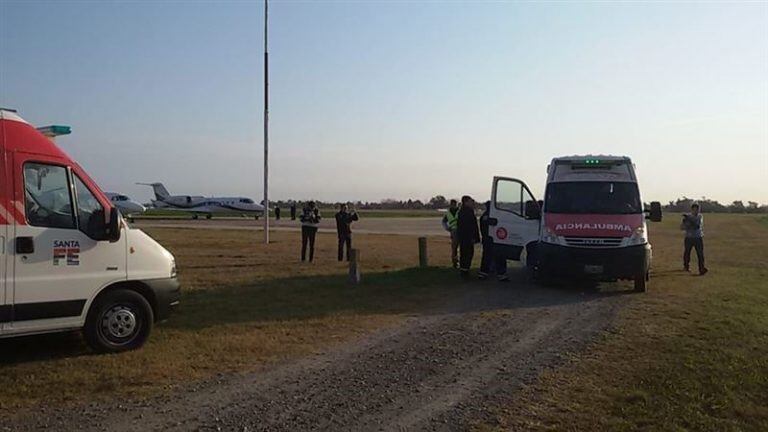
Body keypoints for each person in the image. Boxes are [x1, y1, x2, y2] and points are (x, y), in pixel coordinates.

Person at [478, 201, 509, 281]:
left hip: (486, 238)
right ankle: (501, 274)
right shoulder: (496, 216)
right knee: (500, 256)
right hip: (495, 239)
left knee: (486, 256)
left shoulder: (484, 216)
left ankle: (483, 272)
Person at [681, 203, 708, 275]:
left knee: (700, 254)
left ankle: (701, 268)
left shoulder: (700, 216)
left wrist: (688, 219)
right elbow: (682, 228)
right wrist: (685, 222)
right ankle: (686, 266)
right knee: (687, 253)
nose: (697, 211)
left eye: (698, 210)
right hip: (689, 238)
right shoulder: (687, 217)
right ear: (692, 209)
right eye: (695, 210)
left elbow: (697, 226)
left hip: (698, 237)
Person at [457, 195, 480, 278]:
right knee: (467, 253)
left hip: (464, 237)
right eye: (470, 201)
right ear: (466, 202)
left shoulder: (463, 211)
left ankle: (464, 270)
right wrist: (473, 237)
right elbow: (470, 226)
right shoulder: (467, 212)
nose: (472, 203)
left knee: (465, 253)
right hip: (467, 238)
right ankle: (465, 271)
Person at [441, 199, 460, 268]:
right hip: (453, 231)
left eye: (455, 204)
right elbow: (443, 222)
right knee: (454, 248)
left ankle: (462, 263)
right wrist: (447, 228)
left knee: (462, 248)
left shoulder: (460, 211)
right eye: (452, 204)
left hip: (461, 230)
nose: (454, 205)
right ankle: (455, 263)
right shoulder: (448, 213)